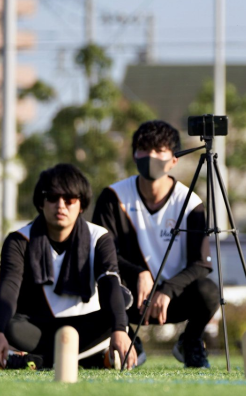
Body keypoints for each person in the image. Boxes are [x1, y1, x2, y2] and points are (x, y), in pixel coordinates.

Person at [0, 164, 137, 370]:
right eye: (52, 197)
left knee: (119, 309)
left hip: (84, 327)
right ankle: (86, 359)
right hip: (37, 329)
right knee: (1, 323)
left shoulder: (99, 237)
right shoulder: (19, 240)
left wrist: (119, 329)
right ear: (41, 203)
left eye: (69, 199)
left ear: (81, 204)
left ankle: (38, 361)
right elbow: (8, 288)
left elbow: (109, 283)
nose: (61, 205)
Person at [92, 120, 218, 369]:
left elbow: (201, 264)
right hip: (130, 297)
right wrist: (138, 273)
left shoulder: (189, 202)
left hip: (173, 299)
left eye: (160, 151)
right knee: (99, 284)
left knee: (209, 292)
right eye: (144, 149)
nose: (151, 157)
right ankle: (128, 339)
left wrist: (169, 289)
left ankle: (190, 341)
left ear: (174, 159)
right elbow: (101, 253)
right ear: (134, 155)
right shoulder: (112, 197)